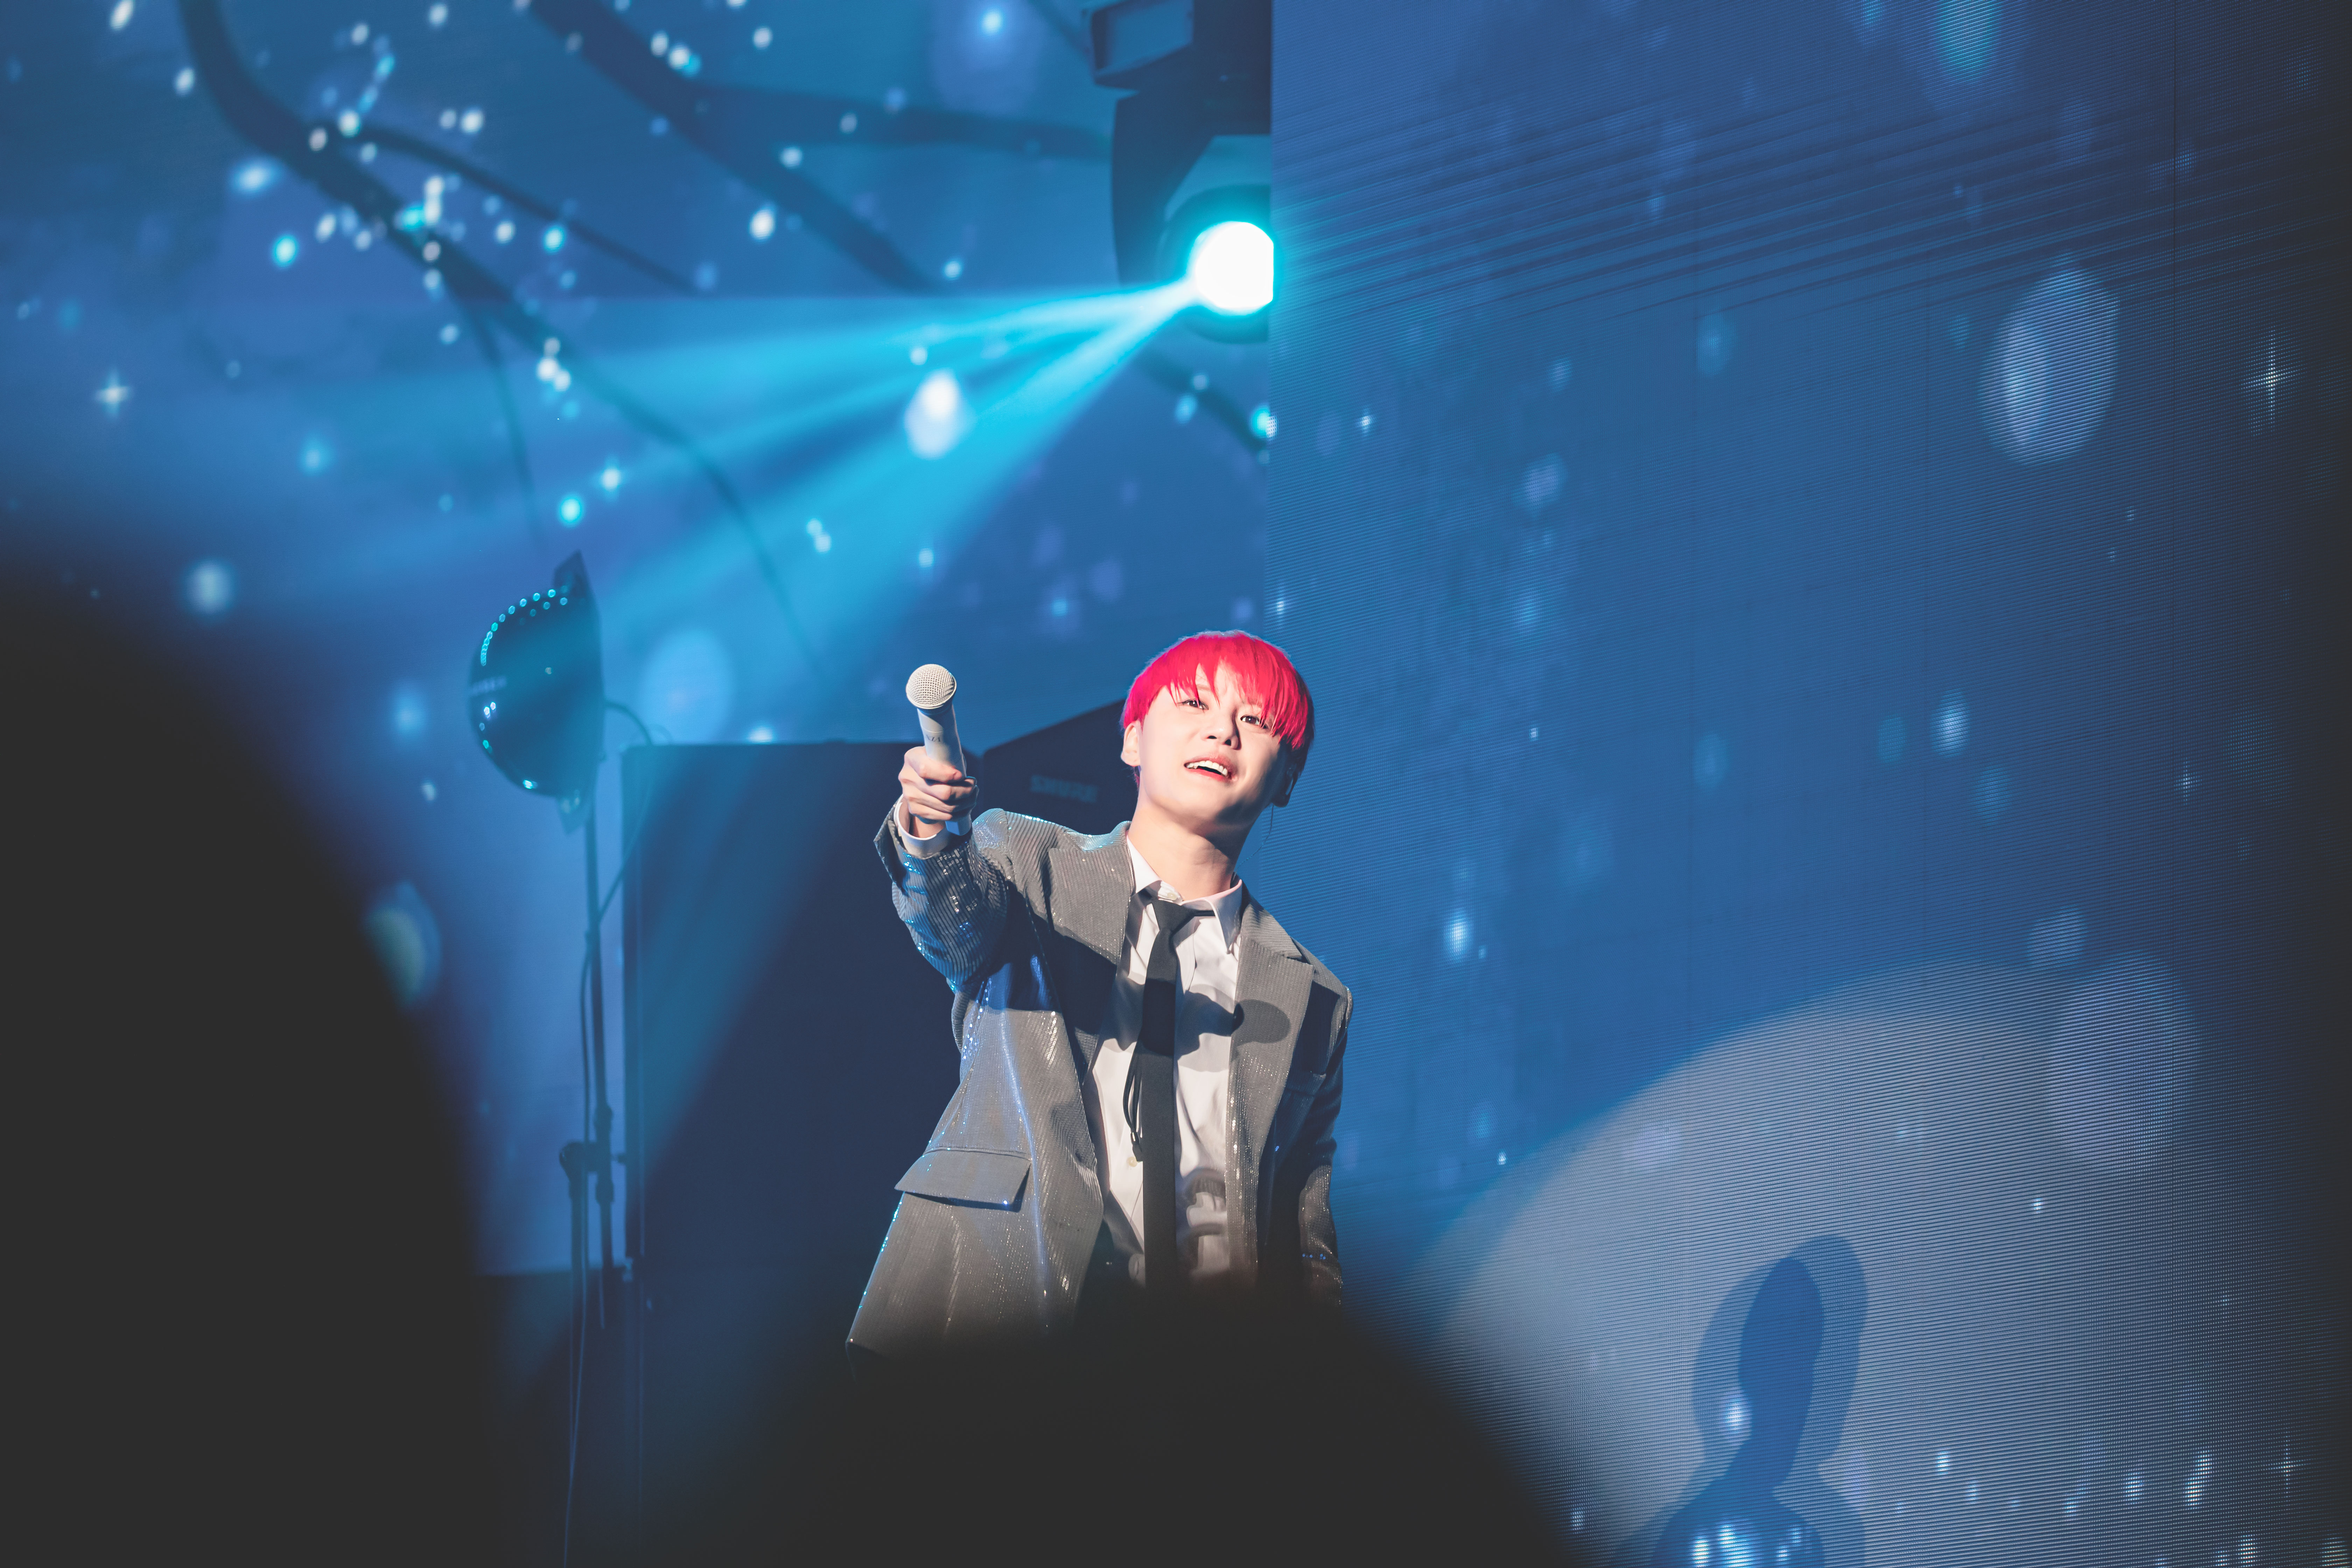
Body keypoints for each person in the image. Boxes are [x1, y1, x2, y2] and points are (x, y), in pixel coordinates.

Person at [847, 631, 1349, 1360]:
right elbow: (952, 920)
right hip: (996, 1328)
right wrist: (930, 833)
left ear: (1288, 777)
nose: (1223, 730)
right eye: (1196, 704)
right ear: (1133, 740)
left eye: (1255, 719)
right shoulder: (1027, 861)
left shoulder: (1315, 996)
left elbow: (1304, 1229)